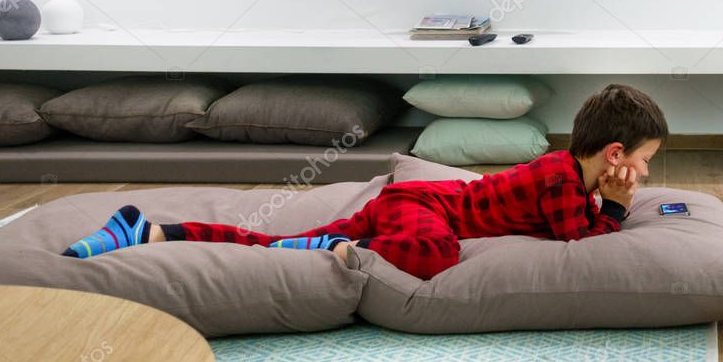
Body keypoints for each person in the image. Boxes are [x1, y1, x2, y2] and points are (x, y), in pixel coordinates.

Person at [61, 84, 668, 280]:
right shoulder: (564, 179)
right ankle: (347, 252)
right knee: (436, 257)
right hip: (427, 206)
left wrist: (604, 203)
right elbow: (580, 242)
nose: (643, 175)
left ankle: (151, 231)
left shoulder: (570, 175)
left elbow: (578, 226)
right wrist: (615, 210)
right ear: (614, 153)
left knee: (271, 246)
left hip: (417, 202)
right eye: (642, 162)